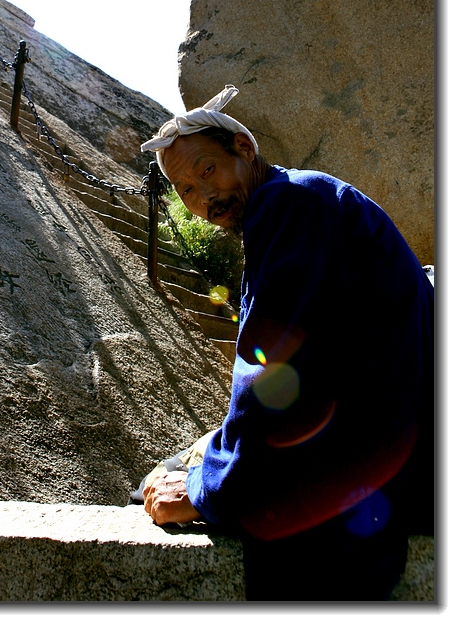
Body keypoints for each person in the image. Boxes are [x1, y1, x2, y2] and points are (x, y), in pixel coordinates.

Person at [138, 85, 434, 602]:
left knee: (159, 486)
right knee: (179, 465)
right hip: (392, 456)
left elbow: (276, 376)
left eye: (207, 170)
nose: (202, 198)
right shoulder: (300, 203)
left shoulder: (288, 204)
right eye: (185, 189)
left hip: (376, 476)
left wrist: (209, 492)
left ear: (244, 150)